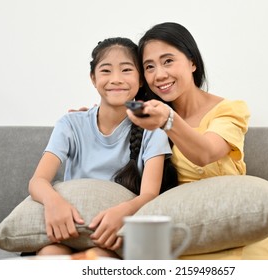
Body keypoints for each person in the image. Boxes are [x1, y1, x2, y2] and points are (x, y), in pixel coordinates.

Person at [125, 22, 268, 260]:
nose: (159, 75)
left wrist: (169, 121)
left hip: (237, 225)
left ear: (192, 62)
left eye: (168, 61)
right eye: (149, 66)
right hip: (187, 231)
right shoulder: (147, 120)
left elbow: (207, 153)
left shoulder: (229, 110)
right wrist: (88, 119)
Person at [28, 37, 176, 258]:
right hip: (71, 228)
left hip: (113, 235)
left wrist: (122, 213)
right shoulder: (70, 124)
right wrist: (54, 203)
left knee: (96, 257)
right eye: (106, 71)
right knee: (50, 253)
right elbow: (38, 181)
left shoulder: (152, 128)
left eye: (126, 70)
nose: (116, 79)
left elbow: (149, 195)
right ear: (93, 78)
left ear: (141, 79)